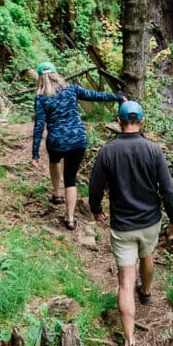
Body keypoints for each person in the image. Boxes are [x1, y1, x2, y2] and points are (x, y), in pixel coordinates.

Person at [89, 100, 173, 346]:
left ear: (118, 121)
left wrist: (95, 209)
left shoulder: (108, 152)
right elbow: (168, 189)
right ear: (142, 122)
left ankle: (129, 344)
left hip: (122, 225)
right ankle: (147, 292)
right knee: (148, 255)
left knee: (124, 282)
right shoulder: (154, 151)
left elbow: (95, 187)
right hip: (150, 221)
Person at [31, 62, 125, 230]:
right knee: (70, 179)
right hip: (78, 139)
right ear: (55, 74)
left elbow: (39, 126)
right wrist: (117, 96)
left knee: (54, 161)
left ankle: (56, 194)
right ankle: (70, 218)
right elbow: (95, 95)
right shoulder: (71, 89)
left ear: (40, 78)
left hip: (56, 141)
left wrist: (35, 154)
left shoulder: (41, 97)